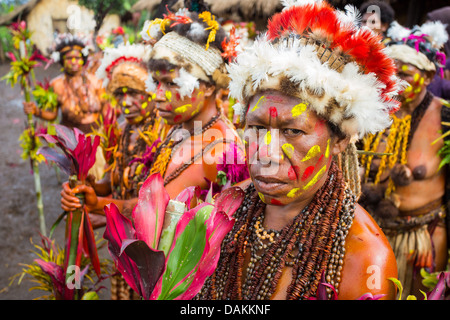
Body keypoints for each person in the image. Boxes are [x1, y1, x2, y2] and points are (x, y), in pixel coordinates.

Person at [196, 0, 401, 300]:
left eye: (293, 131)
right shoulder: (223, 211)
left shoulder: (365, 260)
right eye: (257, 128)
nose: (266, 153)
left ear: (341, 139)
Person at [60, 7, 244, 223]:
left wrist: (99, 206)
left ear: (209, 86)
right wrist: (96, 200)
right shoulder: (178, 130)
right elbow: (148, 207)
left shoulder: (225, 155)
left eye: (170, 83)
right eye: (156, 83)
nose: (157, 96)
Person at [359, 20, 449, 298]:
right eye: (392, 72)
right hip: (372, 231)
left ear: (430, 74)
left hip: (423, 238)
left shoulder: (445, 117)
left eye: (406, 73)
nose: (397, 80)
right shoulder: (374, 113)